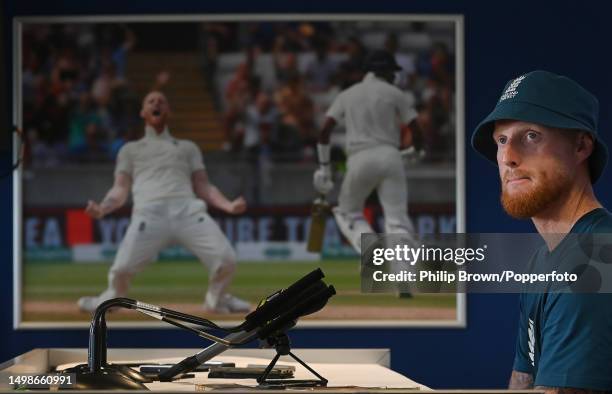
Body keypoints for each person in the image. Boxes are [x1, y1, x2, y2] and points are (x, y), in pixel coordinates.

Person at [471, 70, 612, 392]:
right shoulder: (544, 258)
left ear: (580, 146)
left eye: (531, 136)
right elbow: (524, 380)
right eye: (501, 141)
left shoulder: (595, 258)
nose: (508, 158)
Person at [77, 91, 251, 314]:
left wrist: (228, 205)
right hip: (149, 215)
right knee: (121, 269)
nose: (156, 103)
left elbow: (203, 185)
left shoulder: (188, 147)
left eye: (161, 101)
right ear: (143, 112)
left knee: (226, 259)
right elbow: (120, 189)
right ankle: (110, 300)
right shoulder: (130, 150)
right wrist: (102, 208)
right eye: (151, 101)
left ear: (168, 111)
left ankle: (216, 300)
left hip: (187, 210)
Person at [312, 50, 421, 253]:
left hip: (359, 158)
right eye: (392, 73)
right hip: (391, 157)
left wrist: (325, 168)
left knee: (348, 212)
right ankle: (406, 275)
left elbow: (325, 130)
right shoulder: (395, 93)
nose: (394, 77)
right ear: (387, 72)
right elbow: (415, 127)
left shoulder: (347, 94)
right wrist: (417, 150)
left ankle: (371, 253)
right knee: (397, 220)